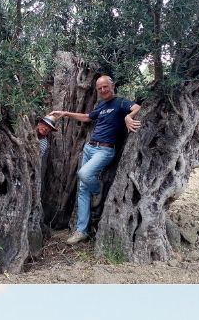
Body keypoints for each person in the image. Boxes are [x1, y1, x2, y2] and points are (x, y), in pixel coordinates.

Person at [49, 76, 142, 243]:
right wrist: (65, 113)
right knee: (83, 190)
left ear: (112, 86)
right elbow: (87, 117)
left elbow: (137, 107)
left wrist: (129, 117)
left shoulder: (120, 102)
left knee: (84, 174)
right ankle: (81, 230)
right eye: (100, 88)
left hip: (105, 150)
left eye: (106, 87)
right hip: (90, 148)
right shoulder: (101, 105)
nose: (103, 90)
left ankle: (97, 190)